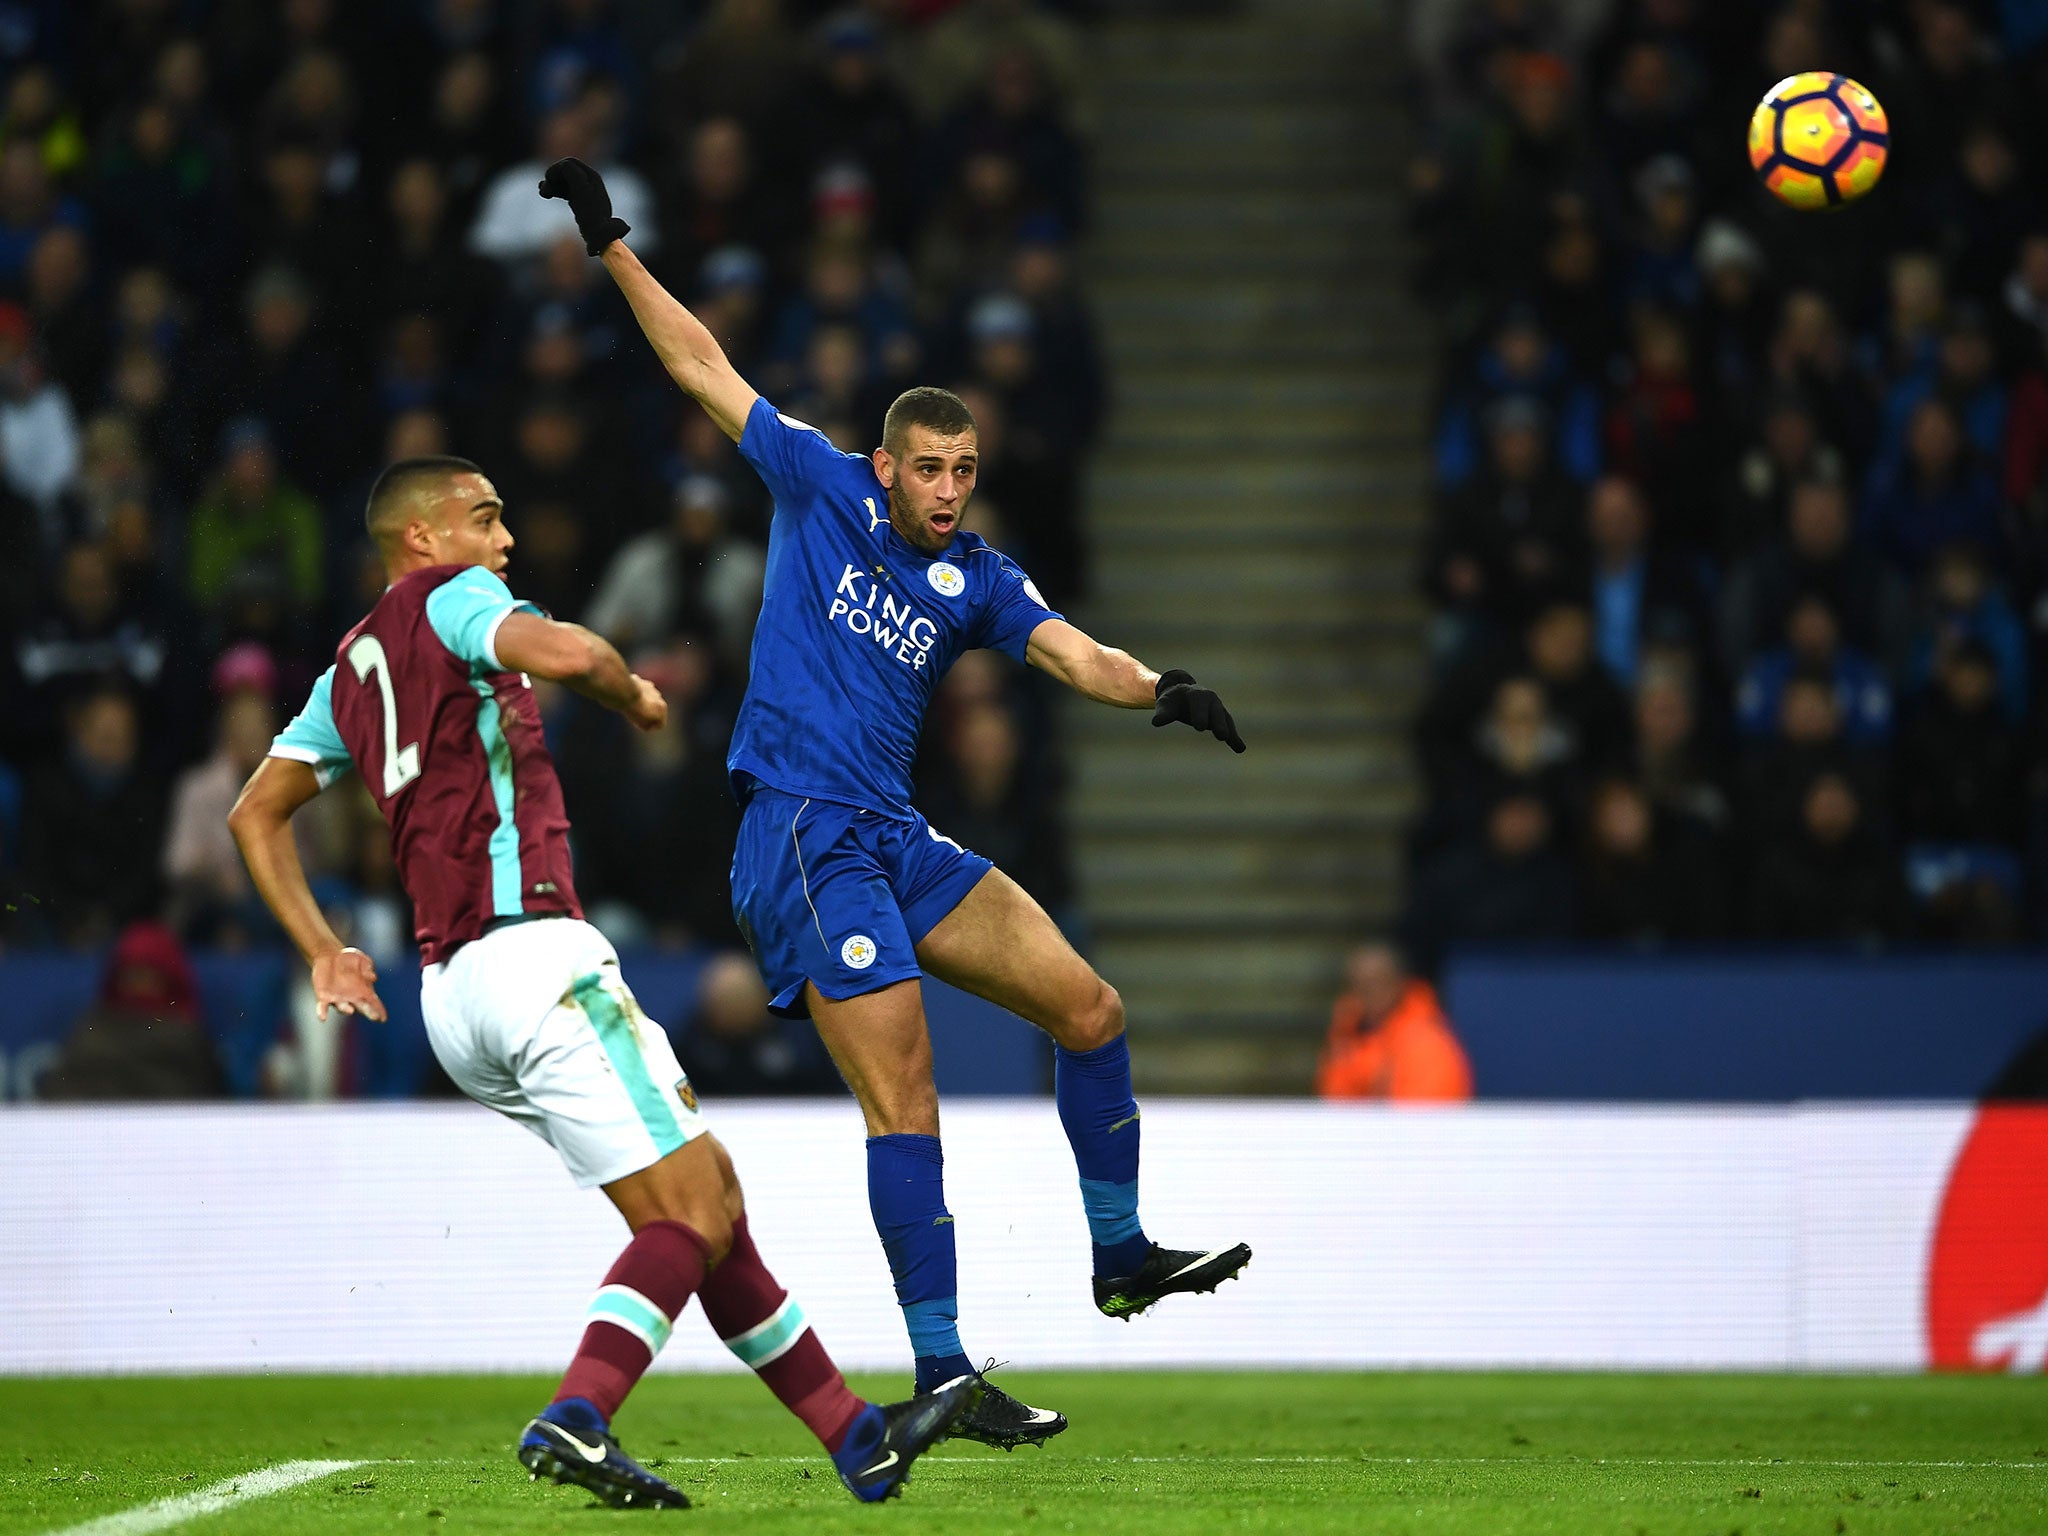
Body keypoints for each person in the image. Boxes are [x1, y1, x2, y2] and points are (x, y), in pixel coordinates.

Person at [540, 155, 1251, 1446]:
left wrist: (1162, 688)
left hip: (891, 835)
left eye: (964, 471)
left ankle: (1121, 1253)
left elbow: (1072, 652)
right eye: (928, 469)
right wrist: (612, 250)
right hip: (800, 833)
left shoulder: (978, 577)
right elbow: (705, 367)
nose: (947, 490)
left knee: (1089, 1010)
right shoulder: (817, 488)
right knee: (906, 1093)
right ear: (884, 467)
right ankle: (940, 1372)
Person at [227, 456, 975, 1509]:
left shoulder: (347, 669)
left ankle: (855, 1435)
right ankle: (578, 1414)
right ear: (421, 542)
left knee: (704, 1203)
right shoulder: (457, 598)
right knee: (690, 1215)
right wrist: (626, 689)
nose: (504, 542)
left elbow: (254, 811)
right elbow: (563, 649)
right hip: (537, 958)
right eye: (484, 519)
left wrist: (320, 945)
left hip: (454, 996)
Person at [1314, 941, 1472, 1101]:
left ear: (1400, 981)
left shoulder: (1426, 1041)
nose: (1369, 991)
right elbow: (1334, 1102)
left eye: (1377, 981)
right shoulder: (1345, 1036)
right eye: (1358, 984)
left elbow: (1426, 1116)